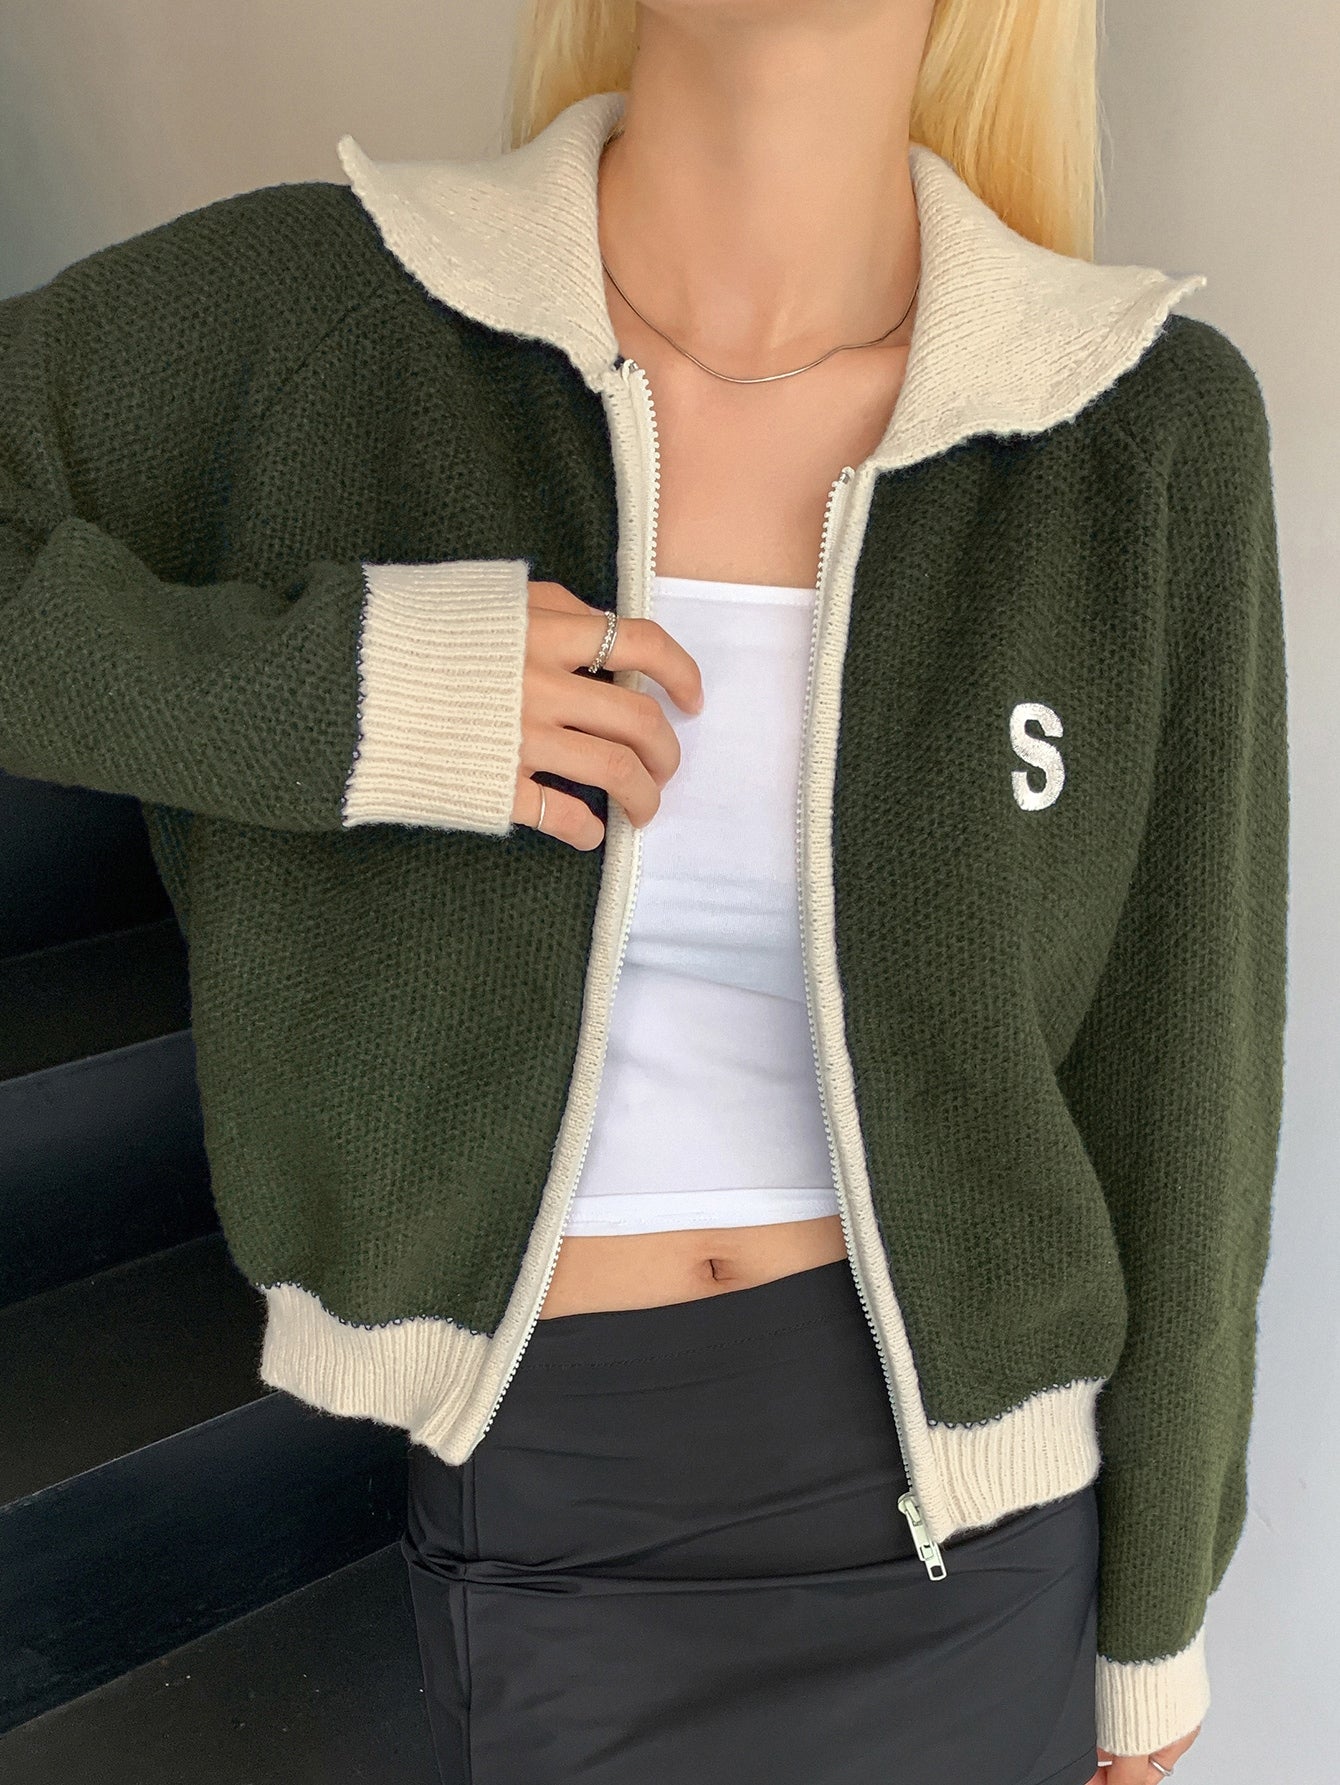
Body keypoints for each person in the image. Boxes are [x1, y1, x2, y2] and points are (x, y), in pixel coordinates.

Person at [0, 0, 1288, 1781]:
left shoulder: (1137, 429)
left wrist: (1152, 1626)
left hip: (979, 1563)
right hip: (559, 1524)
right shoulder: (339, 317)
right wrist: (357, 697)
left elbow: (1190, 1078)